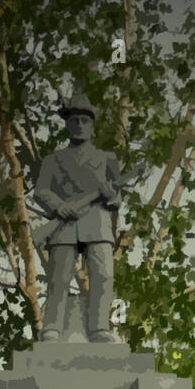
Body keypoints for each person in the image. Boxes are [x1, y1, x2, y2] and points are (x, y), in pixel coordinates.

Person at [34, 90, 121, 342]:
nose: (79, 125)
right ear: (67, 125)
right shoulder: (53, 159)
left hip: (97, 222)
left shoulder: (107, 159)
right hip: (65, 225)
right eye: (74, 120)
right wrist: (59, 206)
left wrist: (110, 195)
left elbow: (117, 198)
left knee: (104, 275)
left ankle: (100, 328)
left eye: (85, 120)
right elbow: (41, 190)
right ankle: (52, 326)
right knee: (59, 276)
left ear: (93, 126)